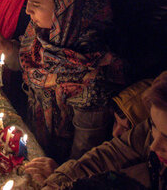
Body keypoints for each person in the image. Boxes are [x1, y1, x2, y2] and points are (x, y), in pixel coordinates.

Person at [0, 0, 124, 163]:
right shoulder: (43, 34)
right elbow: (25, 64)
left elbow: (82, 158)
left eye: (36, 4)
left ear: (65, 6)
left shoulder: (93, 77)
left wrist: (57, 173)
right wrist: (5, 47)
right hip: (32, 145)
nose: (27, 10)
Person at [37, 71, 167, 189]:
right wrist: (57, 181)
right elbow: (109, 155)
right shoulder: (148, 134)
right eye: (153, 126)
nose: (154, 146)